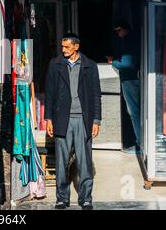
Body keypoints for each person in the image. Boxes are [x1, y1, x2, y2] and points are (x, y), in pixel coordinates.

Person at [45, 33, 102, 210]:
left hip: (84, 120)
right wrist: (48, 119)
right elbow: (49, 94)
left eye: (67, 47)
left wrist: (96, 120)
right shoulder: (55, 65)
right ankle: (62, 198)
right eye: (62, 47)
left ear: (76, 46)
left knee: (84, 161)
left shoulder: (90, 66)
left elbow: (96, 95)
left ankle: (86, 198)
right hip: (62, 119)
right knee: (62, 162)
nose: (64, 50)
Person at [106, 20, 141, 154]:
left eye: (119, 30)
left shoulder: (128, 41)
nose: (117, 33)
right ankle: (140, 142)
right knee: (136, 112)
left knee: (134, 113)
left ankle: (139, 144)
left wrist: (112, 62)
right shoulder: (133, 40)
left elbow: (127, 65)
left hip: (129, 80)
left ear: (125, 29)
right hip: (134, 79)